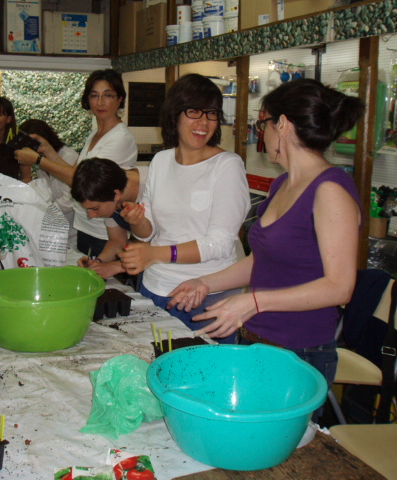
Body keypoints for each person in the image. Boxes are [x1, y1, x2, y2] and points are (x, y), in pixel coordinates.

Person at [167, 79, 364, 400]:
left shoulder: (330, 190)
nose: (263, 134)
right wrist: (205, 283)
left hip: (299, 351)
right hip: (256, 339)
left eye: (263, 124)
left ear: (282, 124)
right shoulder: (282, 184)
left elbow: (340, 287)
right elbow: (261, 261)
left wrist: (254, 302)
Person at [119, 73, 250, 342]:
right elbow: (149, 232)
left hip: (204, 298)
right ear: (175, 115)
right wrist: (137, 220)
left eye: (211, 113)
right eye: (194, 111)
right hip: (154, 287)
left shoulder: (227, 165)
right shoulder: (161, 160)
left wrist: (154, 253)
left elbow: (220, 243)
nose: (203, 122)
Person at [15, 69, 137, 255]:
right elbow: (77, 173)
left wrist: (38, 160)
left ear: (120, 99)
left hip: (105, 231)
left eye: (108, 95)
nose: (100, 102)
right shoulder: (95, 135)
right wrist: (48, 150)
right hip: (84, 225)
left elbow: (86, 182)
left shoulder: (120, 138)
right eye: (94, 95)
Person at [71, 158, 148, 280]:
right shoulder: (108, 188)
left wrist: (118, 266)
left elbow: (166, 246)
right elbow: (117, 241)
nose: (91, 216)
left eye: (95, 208)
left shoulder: (154, 188)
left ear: (116, 194)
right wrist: (98, 262)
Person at [18, 119, 79, 244]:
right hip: (57, 231)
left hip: (74, 232)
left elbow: (70, 201)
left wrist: (42, 212)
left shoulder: (68, 156)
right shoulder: (40, 162)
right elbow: (45, 194)